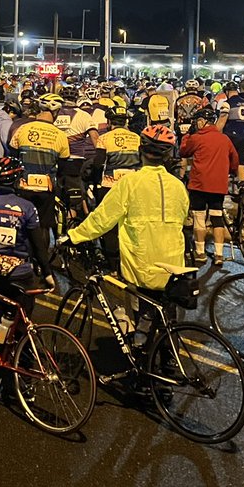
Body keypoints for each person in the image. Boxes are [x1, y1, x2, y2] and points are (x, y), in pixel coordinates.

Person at [65, 125, 189, 333]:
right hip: (173, 262)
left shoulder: (129, 183)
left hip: (141, 264)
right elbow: (183, 218)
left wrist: (74, 236)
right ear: (168, 155)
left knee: (143, 318)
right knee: (167, 320)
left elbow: (102, 219)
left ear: (141, 151)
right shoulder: (177, 186)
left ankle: (142, 351)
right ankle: (168, 358)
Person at [0, 156, 55, 399]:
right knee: (22, 326)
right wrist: (48, 274)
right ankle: (26, 380)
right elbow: (39, 246)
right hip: (20, 275)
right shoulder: (27, 208)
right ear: (18, 179)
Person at [180, 106, 238, 266]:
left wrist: (186, 137)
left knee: (199, 218)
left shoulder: (197, 138)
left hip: (199, 184)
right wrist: (230, 172)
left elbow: (183, 152)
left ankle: (200, 252)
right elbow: (235, 159)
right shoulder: (224, 139)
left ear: (202, 121)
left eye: (198, 121)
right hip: (218, 186)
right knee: (217, 217)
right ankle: (219, 254)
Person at [7, 93, 70, 234]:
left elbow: (12, 155)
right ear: (56, 112)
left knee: (20, 226)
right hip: (46, 190)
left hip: (23, 186)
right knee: (43, 228)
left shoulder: (23, 129)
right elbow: (63, 168)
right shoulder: (61, 135)